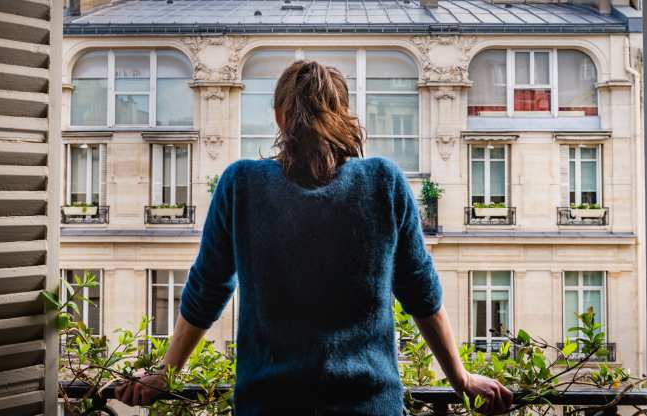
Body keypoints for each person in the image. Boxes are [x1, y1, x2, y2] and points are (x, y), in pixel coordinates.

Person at [116, 60, 512, 415]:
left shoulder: (241, 184)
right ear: (342, 114)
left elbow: (205, 292)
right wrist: (460, 378)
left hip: (268, 403)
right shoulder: (383, 181)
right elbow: (422, 295)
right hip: (369, 404)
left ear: (279, 117)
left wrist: (166, 374)